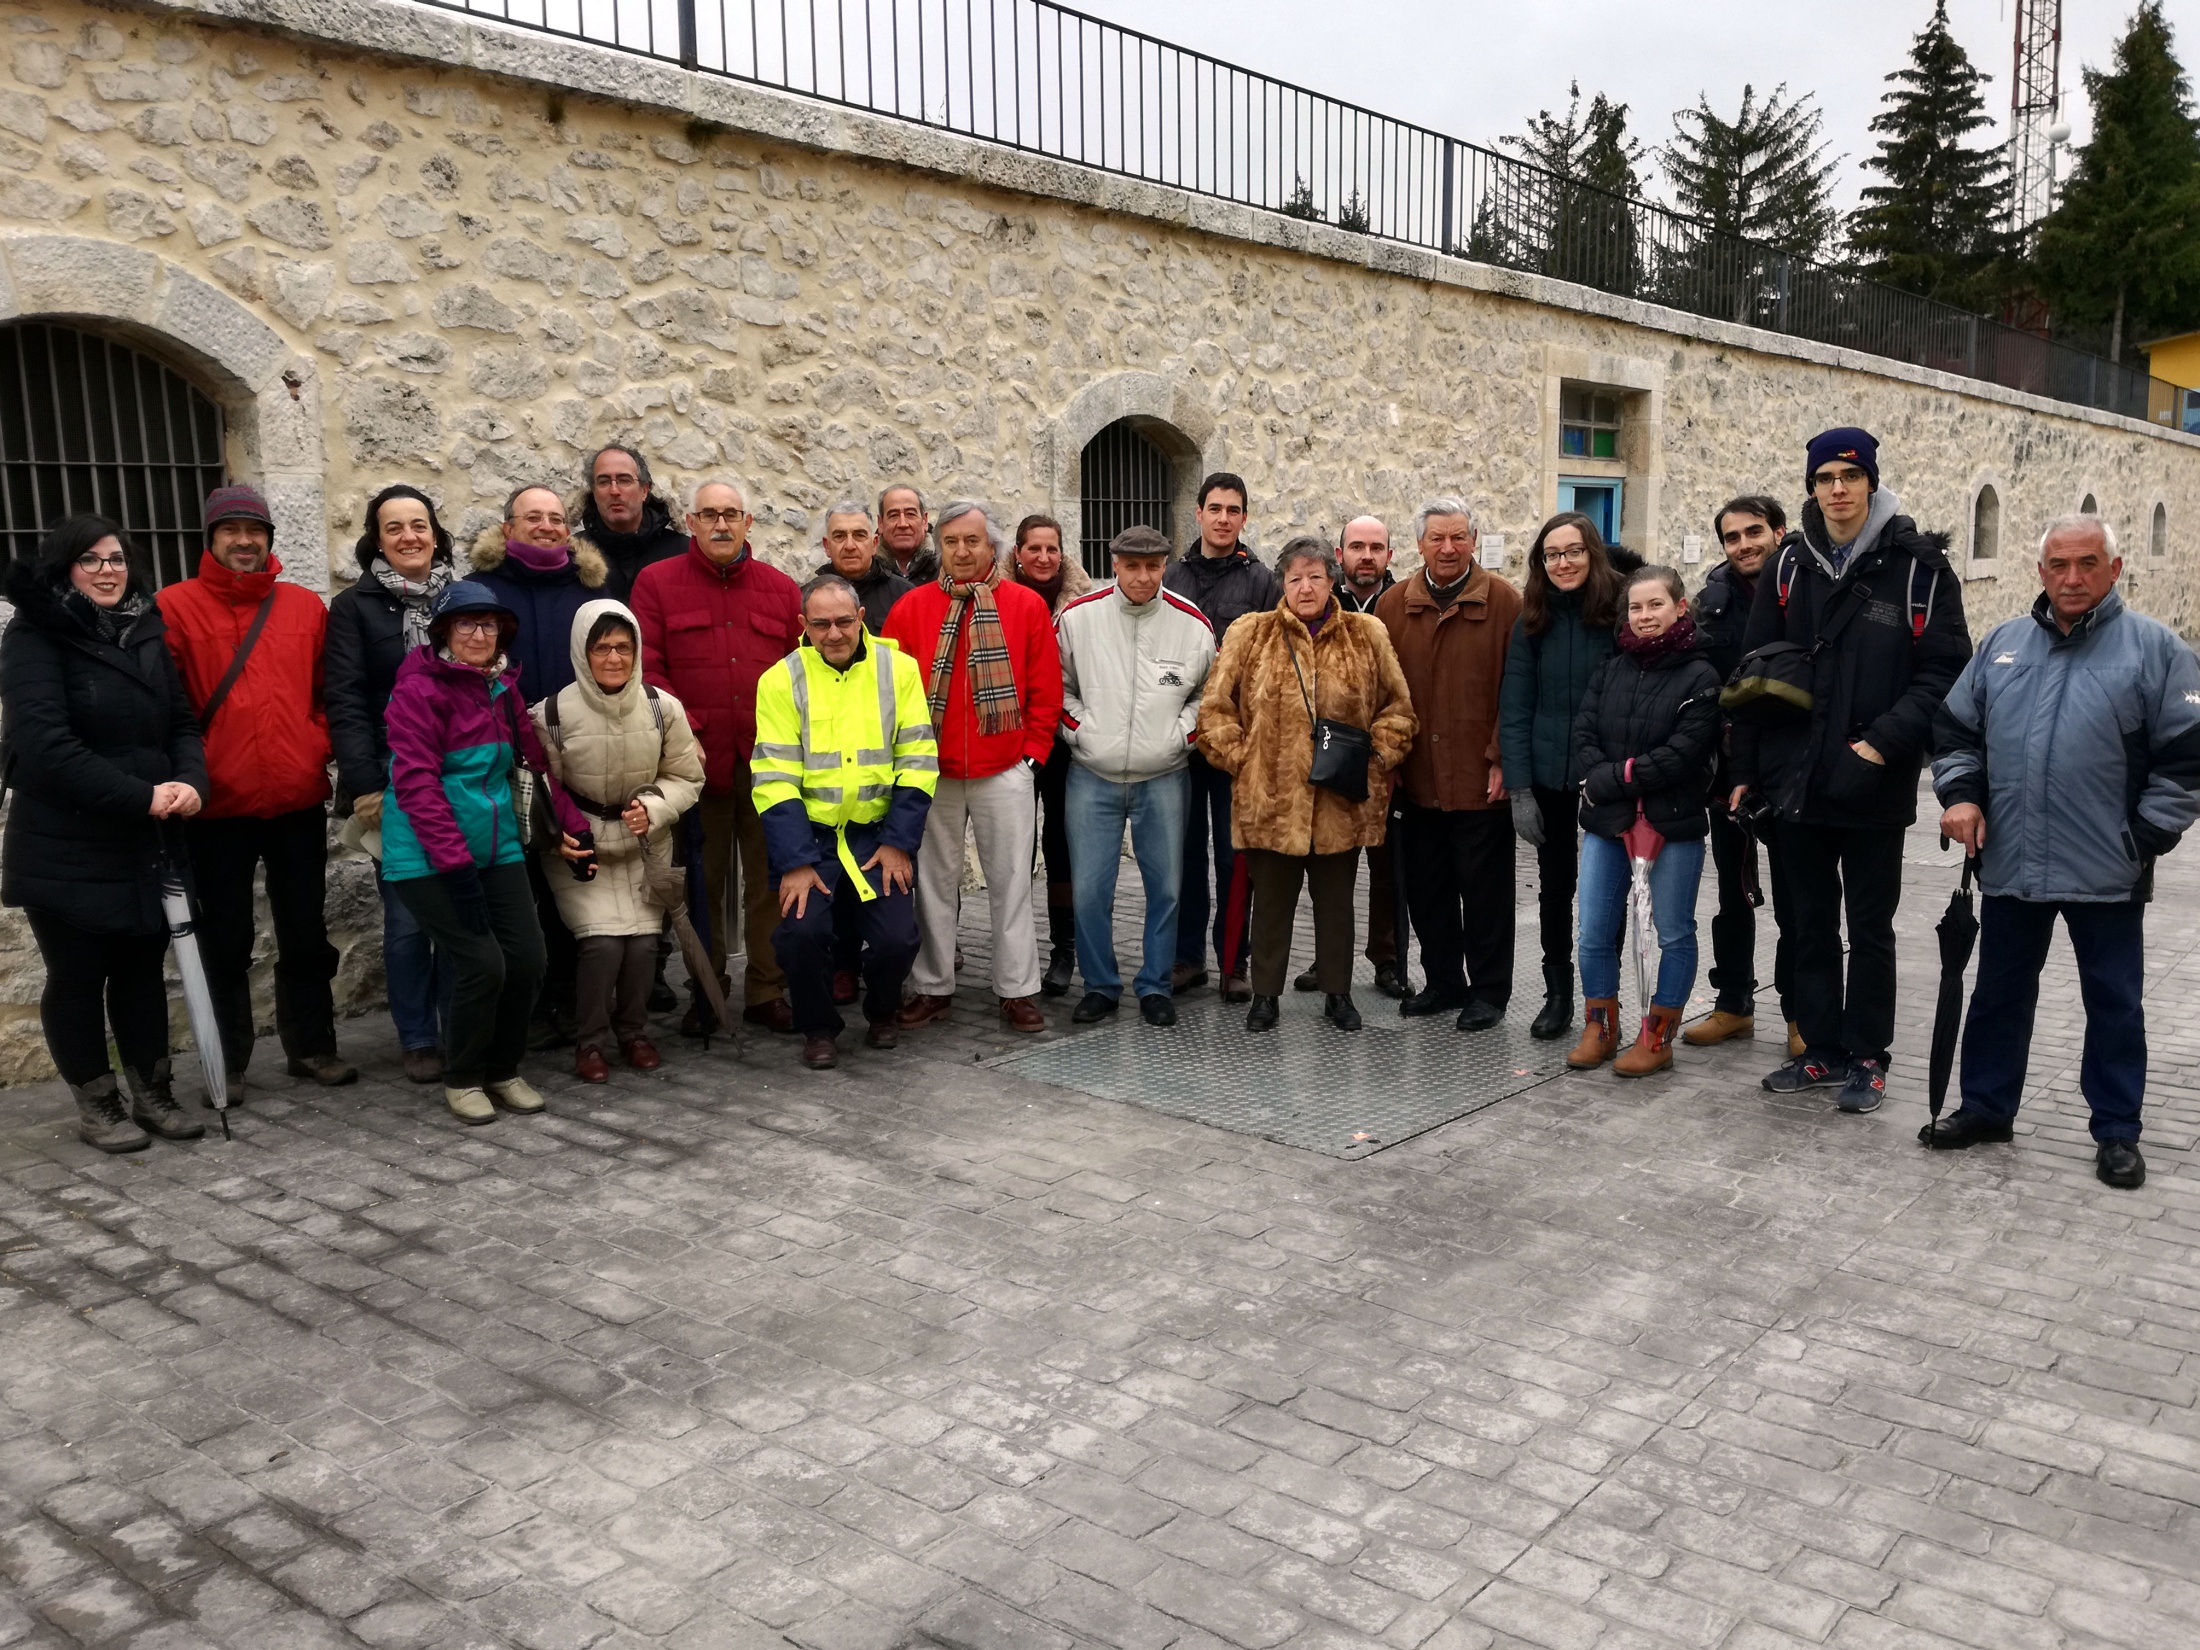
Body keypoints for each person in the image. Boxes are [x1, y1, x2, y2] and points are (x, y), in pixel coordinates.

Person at [1928, 515, 2200, 1189]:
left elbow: (2187, 757)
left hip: (2107, 869)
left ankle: (2116, 1132)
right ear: (2040, 571)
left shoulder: (2156, 650)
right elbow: (1956, 729)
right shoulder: (2002, 645)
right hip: (2011, 862)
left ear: (2115, 567)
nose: (2071, 578)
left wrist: (2142, 841)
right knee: (1998, 995)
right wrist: (1960, 796)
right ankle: (1987, 1108)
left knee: (2115, 1004)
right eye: (2058, 565)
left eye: (2086, 563)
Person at [1730, 428, 1970, 1112]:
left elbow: (1944, 672)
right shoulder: (1788, 566)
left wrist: (1881, 746)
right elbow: (1752, 673)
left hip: (1873, 777)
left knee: (1868, 928)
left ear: (1870, 482)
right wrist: (1746, 768)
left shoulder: (1919, 569)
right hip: (1794, 776)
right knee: (1807, 922)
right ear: (1811, 488)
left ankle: (1868, 1054)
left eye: (1850, 476)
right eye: (1825, 477)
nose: (1838, 489)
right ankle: (1821, 1052)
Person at [1, 516, 207, 1152]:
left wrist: (189, 781)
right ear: (65, 568)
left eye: (116, 559)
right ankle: (98, 1104)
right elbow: (44, 746)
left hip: (147, 838)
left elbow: (179, 720)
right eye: (90, 561)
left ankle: (152, 1093)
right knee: (79, 974)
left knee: (143, 972)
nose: (107, 571)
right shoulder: (34, 635)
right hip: (66, 841)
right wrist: (141, 796)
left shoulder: (145, 628)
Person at [157, 484, 352, 1088]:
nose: (244, 541)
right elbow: (168, 708)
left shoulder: (302, 608)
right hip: (216, 806)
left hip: (294, 797)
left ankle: (312, 1048)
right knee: (225, 939)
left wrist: (313, 743)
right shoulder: (172, 607)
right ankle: (230, 1062)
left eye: (255, 531)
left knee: (304, 932)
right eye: (231, 531)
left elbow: (327, 694)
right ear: (211, 538)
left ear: (269, 538)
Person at [379, 581, 595, 1124]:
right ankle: (463, 1075)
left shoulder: (503, 690)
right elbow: (417, 785)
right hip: (426, 858)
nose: (480, 634)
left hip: (496, 847)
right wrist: (454, 866)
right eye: (468, 624)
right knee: (481, 964)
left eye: (490, 624)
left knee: (528, 960)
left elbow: (534, 768)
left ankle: (503, 1068)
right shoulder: (418, 690)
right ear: (445, 631)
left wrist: (574, 829)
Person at [1198, 536, 1416, 1033]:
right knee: (1272, 903)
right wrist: (1244, 760)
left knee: (1337, 903)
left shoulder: (1366, 634)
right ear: (1282, 584)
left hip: (1340, 799)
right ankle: (1266, 996)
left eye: (1315, 577)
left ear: (1332, 581)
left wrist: (1375, 757)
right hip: (1270, 800)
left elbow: (1398, 709)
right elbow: (1214, 710)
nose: (1305, 587)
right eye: (1295, 578)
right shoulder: (1251, 634)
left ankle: (1338, 993)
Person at [632, 480, 805, 1036]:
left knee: (770, 882)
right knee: (703, 887)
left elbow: (794, 674)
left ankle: (766, 990)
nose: (721, 524)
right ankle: (708, 993)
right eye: (709, 514)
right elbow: (648, 670)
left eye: (731, 514)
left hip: (765, 765)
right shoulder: (656, 584)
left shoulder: (781, 590)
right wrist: (689, 737)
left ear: (749, 522)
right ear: (691, 521)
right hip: (694, 766)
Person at [883, 500, 1062, 1033]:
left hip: (1005, 766)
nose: (962, 551)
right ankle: (932, 986)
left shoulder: (1025, 606)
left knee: (1012, 882)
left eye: (973, 541)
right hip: (931, 771)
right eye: (953, 542)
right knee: (933, 884)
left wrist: (1031, 755)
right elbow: (890, 693)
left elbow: (1045, 690)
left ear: (992, 548)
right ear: (940, 546)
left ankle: (1017, 989)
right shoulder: (910, 609)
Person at [753, 575, 940, 1068]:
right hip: (809, 841)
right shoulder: (779, 680)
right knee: (800, 935)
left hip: (878, 836)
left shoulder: (898, 670)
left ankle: (882, 1012)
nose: (833, 633)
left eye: (843, 621)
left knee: (896, 939)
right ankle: (818, 1028)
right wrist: (794, 862)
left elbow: (919, 760)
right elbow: (773, 779)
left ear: (861, 617)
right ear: (803, 625)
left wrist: (900, 842)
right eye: (820, 624)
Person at [532, 600, 705, 1083]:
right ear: (582, 652)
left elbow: (686, 777)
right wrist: (558, 835)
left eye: (623, 648)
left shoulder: (661, 707)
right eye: (602, 648)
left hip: (645, 843)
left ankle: (634, 1032)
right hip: (583, 849)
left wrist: (654, 808)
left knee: (645, 944)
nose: (613, 658)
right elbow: (541, 791)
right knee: (604, 944)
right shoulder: (550, 714)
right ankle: (591, 1042)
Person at [1055, 526, 1215, 1028]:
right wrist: (1083, 731)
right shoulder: (1078, 619)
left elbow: (1208, 696)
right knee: (1089, 890)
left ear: (1165, 565)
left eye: (1153, 566)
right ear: (1114, 563)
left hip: (1164, 775)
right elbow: (1056, 685)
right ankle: (1100, 985)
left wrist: (1180, 737)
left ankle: (1154, 985)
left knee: (1166, 887)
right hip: (1091, 774)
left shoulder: (1192, 625)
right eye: (1132, 566)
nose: (1143, 576)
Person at [1566, 565, 1723, 1076]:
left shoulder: (1701, 675)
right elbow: (1584, 733)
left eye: (1655, 604)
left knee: (1672, 930)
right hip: (1607, 823)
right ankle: (1600, 1028)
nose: (1645, 616)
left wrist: (1618, 776)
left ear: (1680, 607)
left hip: (1672, 822)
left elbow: (1685, 751)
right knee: (1593, 929)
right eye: (1636, 607)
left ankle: (1657, 1037)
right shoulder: (1611, 669)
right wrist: (1606, 777)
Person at [326, 484, 458, 1084]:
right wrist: (363, 784)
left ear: (435, 532)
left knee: (464, 907)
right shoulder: (354, 609)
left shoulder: (462, 598)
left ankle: (462, 1023)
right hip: (393, 780)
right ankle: (419, 1036)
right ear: (375, 540)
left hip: (462, 775)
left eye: (419, 525)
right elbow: (347, 702)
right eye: (394, 527)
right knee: (408, 917)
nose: (409, 537)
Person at [1377, 498, 1523, 1032]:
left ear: (1475, 539)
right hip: (1416, 778)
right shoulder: (1393, 606)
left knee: (1485, 893)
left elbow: (1517, 690)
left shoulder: (1505, 603)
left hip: (1478, 778)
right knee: (1428, 889)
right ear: (1418, 544)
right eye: (1437, 538)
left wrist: (1502, 759)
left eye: (1458, 537)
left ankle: (1488, 991)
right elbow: (1381, 692)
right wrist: (1388, 759)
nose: (1447, 548)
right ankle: (1442, 981)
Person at [1497, 511, 1626, 1040]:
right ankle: (1558, 993)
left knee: (1607, 889)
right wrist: (1520, 787)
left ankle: (1605, 996)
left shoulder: (1620, 612)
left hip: (1607, 774)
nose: (1563, 563)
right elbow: (1516, 705)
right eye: (1552, 554)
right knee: (1556, 888)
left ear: (1592, 553)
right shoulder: (1532, 619)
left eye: (1573, 551)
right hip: (1550, 772)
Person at [1684, 494, 1798, 1055]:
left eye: (1755, 531)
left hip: (1796, 767)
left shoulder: (1807, 589)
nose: (1745, 544)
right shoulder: (1714, 603)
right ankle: (1733, 1004)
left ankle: (1803, 1015)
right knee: (1733, 893)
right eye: (1732, 537)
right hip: (1731, 773)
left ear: (1780, 531)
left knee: (1800, 899)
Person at [1164, 472, 1277, 1002]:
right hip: (1183, 740)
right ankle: (1187, 960)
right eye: (1215, 508)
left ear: (1244, 518)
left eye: (1234, 510)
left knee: (1236, 858)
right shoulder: (1170, 577)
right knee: (1184, 854)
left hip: (1238, 743)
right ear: (1199, 513)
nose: (1224, 518)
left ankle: (1234, 961)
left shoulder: (1262, 583)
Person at [1297, 513, 1407, 1000]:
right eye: (1356, 547)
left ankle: (1387, 960)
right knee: (1328, 872)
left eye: (1376, 547)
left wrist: (1387, 751)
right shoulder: (1321, 600)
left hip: (1384, 761)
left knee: (1388, 871)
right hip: (1325, 761)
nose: (1367, 555)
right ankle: (1328, 959)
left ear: (1390, 554)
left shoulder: (1404, 604)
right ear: (1339, 556)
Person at [1005, 512, 1092, 998]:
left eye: (1051, 549)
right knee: (1016, 850)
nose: (1042, 557)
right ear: (1017, 553)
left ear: (1063, 553)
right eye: (1033, 548)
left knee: (1060, 845)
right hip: (1010, 738)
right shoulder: (993, 597)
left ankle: (1065, 949)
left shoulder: (1083, 602)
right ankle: (1014, 954)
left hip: (1063, 741)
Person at [469, 485, 608, 707]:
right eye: (533, 518)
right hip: (502, 728)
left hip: (580, 728)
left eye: (556, 520)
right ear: (508, 529)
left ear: (567, 531)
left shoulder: (593, 592)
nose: (546, 527)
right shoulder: (477, 590)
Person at [576, 444, 688, 603]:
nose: (614, 490)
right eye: (604, 481)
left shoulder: (682, 552)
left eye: (624, 480)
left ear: (644, 490)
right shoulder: (575, 556)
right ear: (593, 492)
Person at [815, 500, 914, 634]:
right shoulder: (808, 598)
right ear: (827, 546)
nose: (850, 546)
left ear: (874, 544)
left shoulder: (905, 596)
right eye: (839, 536)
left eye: (859, 535)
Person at [879, 485, 938, 583]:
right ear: (880, 523)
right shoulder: (867, 569)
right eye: (893, 515)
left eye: (910, 514)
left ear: (925, 520)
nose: (903, 524)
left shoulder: (944, 567)